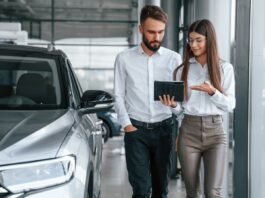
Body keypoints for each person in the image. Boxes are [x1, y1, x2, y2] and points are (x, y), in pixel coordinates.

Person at [160, 19, 236, 198]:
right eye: (190, 40)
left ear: (209, 40)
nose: (193, 45)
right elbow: (181, 110)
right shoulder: (182, 70)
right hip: (189, 131)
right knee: (192, 192)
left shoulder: (224, 68)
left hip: (216, 132)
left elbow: (230, 105)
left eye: (198, 40)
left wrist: (212, 92)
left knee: (212, 192)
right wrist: (173, 106)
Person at [114, 5, 182, 198]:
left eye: (161, 32)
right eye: (151, 32)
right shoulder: (124, 59)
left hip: (164, 130)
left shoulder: (174, 59)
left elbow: (181, 104)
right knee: (141, 190)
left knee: (161, 190)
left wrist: (174, 105)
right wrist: (127, 126)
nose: (157, 37)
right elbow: (118, 94)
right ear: (140, 29)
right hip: (136, 132)